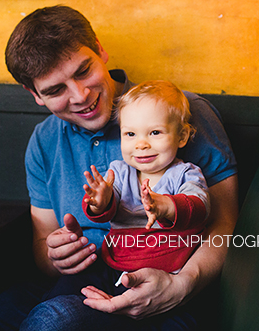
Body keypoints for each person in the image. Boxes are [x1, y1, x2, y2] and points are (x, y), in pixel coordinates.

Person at [0, 5, 238, 331]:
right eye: (55, 90)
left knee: (52, 322)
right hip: (72, 287)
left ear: (100, 50)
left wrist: (181, 285)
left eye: (83, 70)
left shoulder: (178, 113)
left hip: (163, 290)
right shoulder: (44, 140)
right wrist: (54, 255)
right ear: (34, 95)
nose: (80, 95)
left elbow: (226, 224)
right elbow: (43, 243)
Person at [26, 80, 211, 329]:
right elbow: (106, 209)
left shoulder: (185, 174)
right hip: (112, 265)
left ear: (182, 136)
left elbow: (199, 207)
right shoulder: (119, 171)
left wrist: (166, 206)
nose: (141, 143)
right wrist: (100, 202)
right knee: (55, 303)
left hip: (166, 272)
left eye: (155, 133)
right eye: (130, 134)